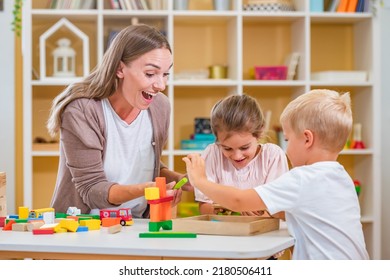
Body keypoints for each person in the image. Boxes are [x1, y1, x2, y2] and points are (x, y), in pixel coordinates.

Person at [183, 89, 369, 260]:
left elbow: (238, 201)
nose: (285, 146)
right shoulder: (341, 177)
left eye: (287, 139)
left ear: (307, 139)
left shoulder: (302, 179)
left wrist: (199, 180)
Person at [47, 24, 191, 218]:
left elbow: (143, 163)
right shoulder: (83, 110)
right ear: (119, 68)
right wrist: (146, 189)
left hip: (137, 224)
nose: (161, 85)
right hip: (84, 226)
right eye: (150, 74)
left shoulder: (160, 107)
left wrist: (178, 179)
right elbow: (91, 189)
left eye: (165, 74)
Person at [195, 94, 289, 217]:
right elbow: (204, 205)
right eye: (227, 148)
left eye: (244, 147)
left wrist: (262, 215)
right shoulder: (213, 153)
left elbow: (280, 208)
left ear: (259, 133)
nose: (237, 156)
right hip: (224, 231)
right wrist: (230, 211)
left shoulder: (272, 156)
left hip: (265, 233)